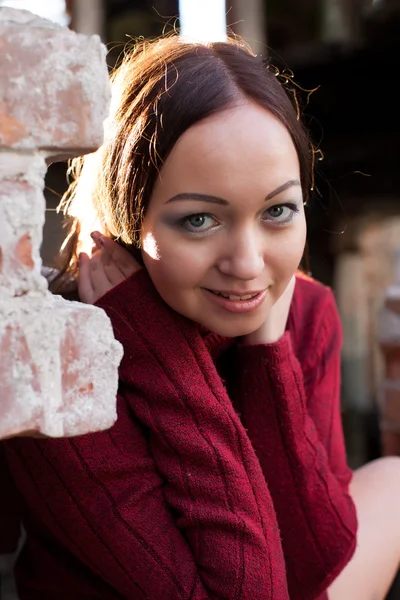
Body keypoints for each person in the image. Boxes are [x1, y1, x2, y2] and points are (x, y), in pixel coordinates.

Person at [2, 35, 400, 600]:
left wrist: (269, 354)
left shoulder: (305, 312)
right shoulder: (62, 357)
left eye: (278, 211)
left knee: (393, 482)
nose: (248, 264)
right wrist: (164, 359)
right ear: (126, 219)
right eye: (198, 221)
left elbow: (316, 569)